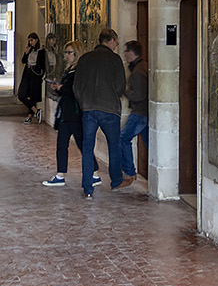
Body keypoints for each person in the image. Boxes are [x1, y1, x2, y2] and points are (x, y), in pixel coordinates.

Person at [73, 28, 128, 197]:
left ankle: (88, 188)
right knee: (114, 146)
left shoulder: (85, 59)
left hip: (89, 109)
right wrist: (113, 96)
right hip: (109, 109)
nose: (116, 45)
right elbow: (120, 86)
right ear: (110, 40)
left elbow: (77, 86)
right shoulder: (115, 59)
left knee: (88, 148)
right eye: (116, 42)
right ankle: (116, 181)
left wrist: (84, 103)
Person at [41, 41, 98, 188]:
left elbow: (75, 91)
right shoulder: (70, 69)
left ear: (76, 53)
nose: (66, 55)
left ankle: (93, 173)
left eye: (69, 52)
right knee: (64, 144)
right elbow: (67, 89)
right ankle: (63, 174)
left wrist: (61, 87)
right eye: (65, 52)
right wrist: (58, 87)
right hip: (67, 112)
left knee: (80, 144)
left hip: (74, 113)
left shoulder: (79, 70)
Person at [119, 40, 148, 180]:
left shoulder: (138, 71)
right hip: (144, 113)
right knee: (149, 144)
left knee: (123, 138)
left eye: (126, 51)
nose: (124, 55)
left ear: (132, 53)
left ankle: (129, 172)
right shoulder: (141, 68)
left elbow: (138, 95)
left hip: (139, 113)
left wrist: (125, 91)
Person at [17, 32, 45, 121]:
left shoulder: (41, 51)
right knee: (21, 94)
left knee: (33, 96)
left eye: (32, 40)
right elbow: (23, 61)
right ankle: (36, 111)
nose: (30, 42)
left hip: (35, 74)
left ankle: (30, 116)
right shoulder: (30, 50)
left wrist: (41, 74)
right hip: (27, 73)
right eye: (29, 40)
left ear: (36, 40)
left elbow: (42, 65)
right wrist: (26, 53)